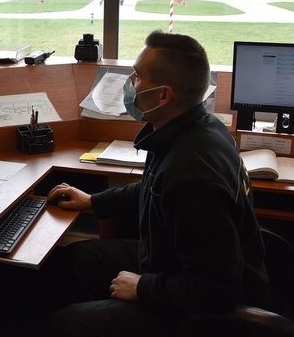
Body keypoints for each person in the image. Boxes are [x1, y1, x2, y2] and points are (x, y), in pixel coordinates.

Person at [45, 31, 268, 336]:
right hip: (171, 261)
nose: (129, 84)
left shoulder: (192, 174)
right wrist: (94, 202)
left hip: (199, 304)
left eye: (136, 77)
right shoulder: (194, 127)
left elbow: (217, 288)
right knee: (75, 260)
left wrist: (143, 287)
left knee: (64, 325)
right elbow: (153, 189)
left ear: (163, 96)